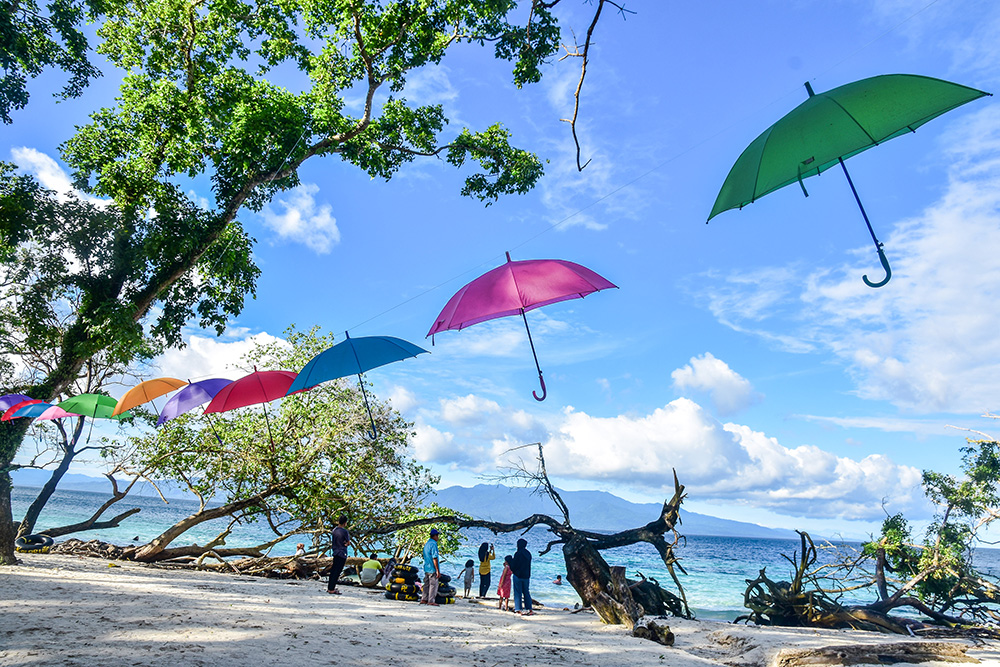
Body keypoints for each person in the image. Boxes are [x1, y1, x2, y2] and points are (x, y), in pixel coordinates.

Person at [328, 514, 350, 595]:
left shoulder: (334, 530)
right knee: (338, 571)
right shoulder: (344, 531)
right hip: (342, 553)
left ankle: (330, 587)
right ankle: (332, 589)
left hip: (335, 551)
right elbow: (348, 542)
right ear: (345, 523)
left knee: (333, 570)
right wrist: (346, 544)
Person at [510, 537, 534, 615]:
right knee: (526, 592)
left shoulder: (518, 553)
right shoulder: (528, 554)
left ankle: (518, 608)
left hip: (518, 575)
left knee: (517, 592)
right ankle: (529, 608)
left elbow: (515, 565)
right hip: (526, 576)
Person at [420, 527, 441, 606]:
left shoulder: (427, 543)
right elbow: (434, 558)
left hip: (426, 567)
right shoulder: (433, 544)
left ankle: (424, 599)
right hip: (432, 568)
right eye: (437, 536)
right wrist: (438, 571)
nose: (438, 538)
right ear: (434, 536)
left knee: (426, 584)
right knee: (433, 585)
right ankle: (431, 600)